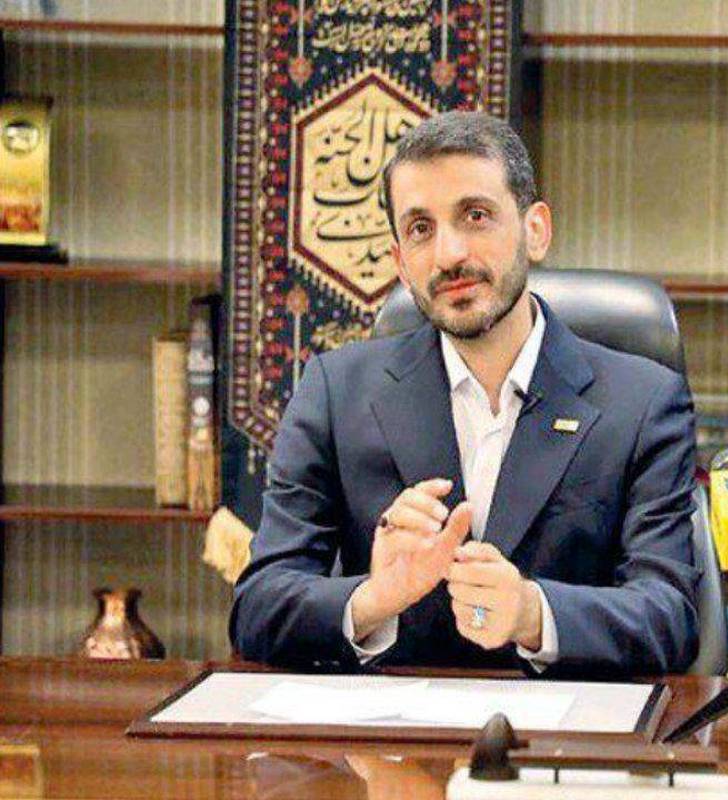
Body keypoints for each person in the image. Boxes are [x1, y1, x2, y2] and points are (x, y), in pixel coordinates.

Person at [230, 111, 700, 677]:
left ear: (535, 230)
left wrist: (533, 613)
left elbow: (671, 616)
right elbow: (257, 607)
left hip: (563, 725)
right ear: (401, 263)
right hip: (396, 726)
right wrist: (375, 598)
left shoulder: (643, 402)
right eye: (420, 229)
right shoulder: (334, 391)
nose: (449, 254)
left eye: (475, 216)